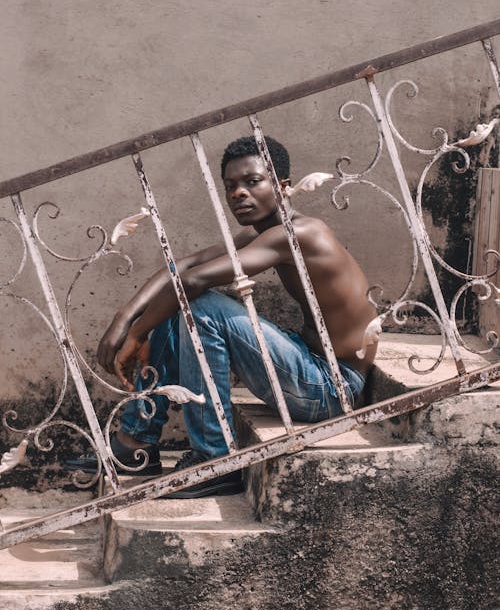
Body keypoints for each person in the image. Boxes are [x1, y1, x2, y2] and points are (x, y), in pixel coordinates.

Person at [65, 136, 377, 497]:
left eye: (252, 182)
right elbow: (183, 266)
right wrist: (123, 318)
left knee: (199, 305)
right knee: (179, 302)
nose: (239, 194)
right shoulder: (266, 233)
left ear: (283, 187)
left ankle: (214, 459)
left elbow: (194, 280)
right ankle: (135, 441)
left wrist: (136, 334)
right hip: (306, 362)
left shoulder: (301, 232)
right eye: (231, 186)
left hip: (331, 386)